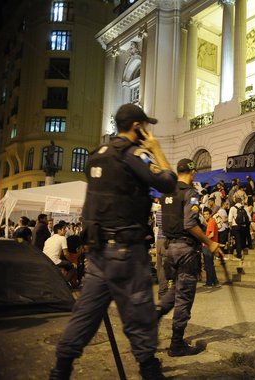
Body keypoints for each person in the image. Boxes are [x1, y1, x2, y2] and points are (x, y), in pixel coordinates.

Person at [49, 103, 177, 380]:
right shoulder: (133, 154)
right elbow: (168, 182)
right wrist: (155, 149)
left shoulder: (96, 156)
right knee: (140, 316)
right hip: (125, 252)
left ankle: (61, 370)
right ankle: (150, 371)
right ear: (137, 127)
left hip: (97, 253)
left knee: (85, 314)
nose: (148, 131)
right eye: (145, 126)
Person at [157, 158, 223, 357]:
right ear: (193, 172)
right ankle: (176, 344)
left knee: (175, 289)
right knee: (184, 297)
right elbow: (189, 224)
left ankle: (154, 314)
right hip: (185, 249)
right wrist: (209, 243)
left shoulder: (166, 192)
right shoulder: (190, 193)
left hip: (169, 247)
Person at [202, 208, 221, 288]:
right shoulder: (211, 222)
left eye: (207, 214)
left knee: (208, 265)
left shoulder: (211, 222)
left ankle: (209, 283)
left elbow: (212, 234)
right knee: (210, 265)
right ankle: (215, 282)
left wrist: (204, 240)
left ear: (210, 214)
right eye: (204, 214)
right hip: (210, 245)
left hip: (208, 245)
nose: (205, 216)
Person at [228, 195, 250, 260]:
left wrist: (231, 226)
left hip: (235, 226)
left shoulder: (232, 208)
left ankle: (239, 254)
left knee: (237, 240)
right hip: (243, 226)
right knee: (242, 239)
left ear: (235, 201)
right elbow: (249, 218)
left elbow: (230, 219)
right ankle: (244, 251)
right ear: (241, 201)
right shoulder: (245, 208)